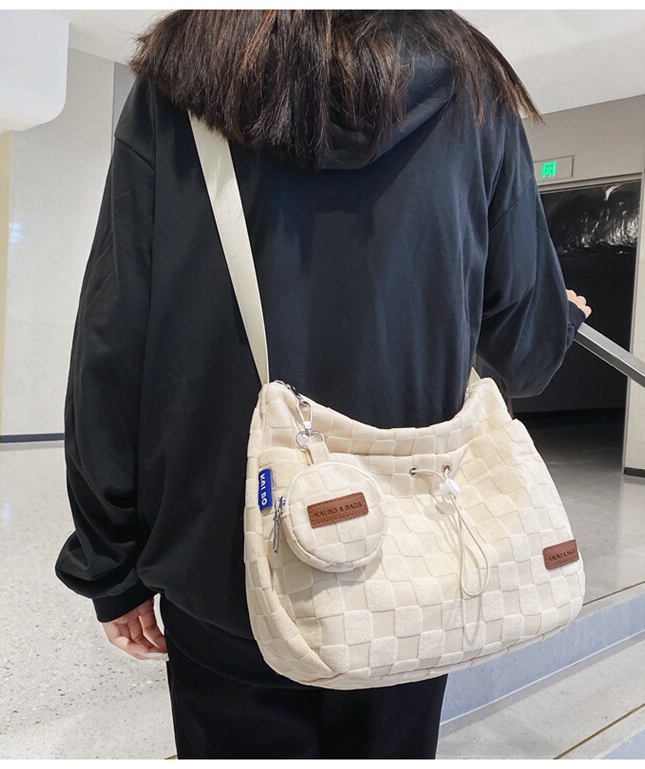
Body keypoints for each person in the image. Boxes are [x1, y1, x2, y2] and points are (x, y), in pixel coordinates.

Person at [56, 10, 591, 759]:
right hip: (409, 567)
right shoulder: (474, 90)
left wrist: (111, 562)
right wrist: (560, 318)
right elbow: (524, 353)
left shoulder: (183, 81)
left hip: (223, 556)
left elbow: (112, 342)